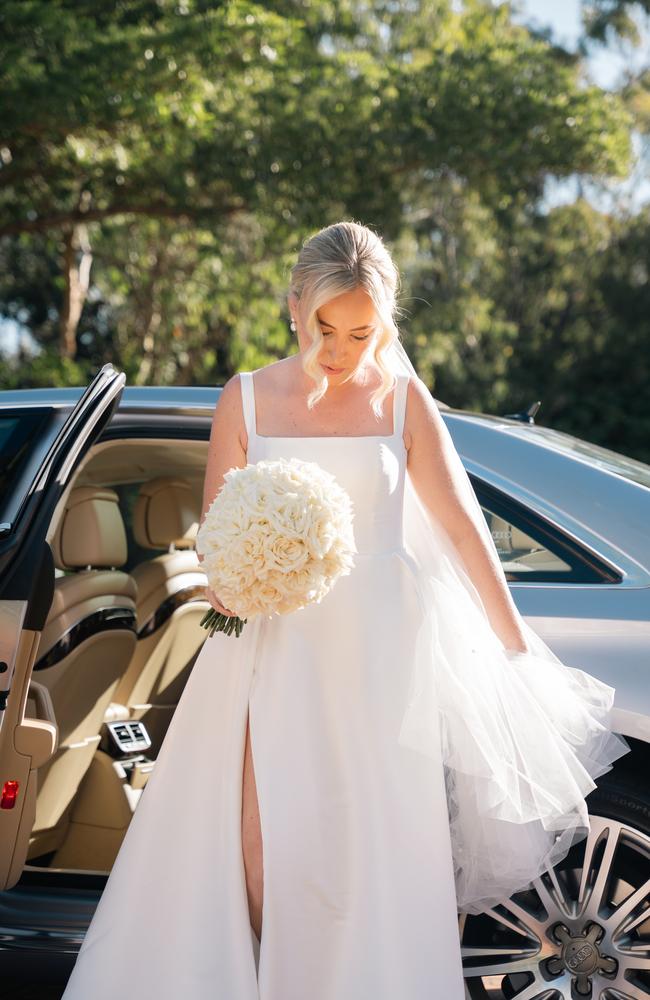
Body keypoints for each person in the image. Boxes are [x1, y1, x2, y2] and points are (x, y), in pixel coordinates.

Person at [61, 220, 630, 999]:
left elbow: (466, 534)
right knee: (265, 857)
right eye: (325, 327)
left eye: (361, 332)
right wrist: (240, 578)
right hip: (273, 655)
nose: (340, 348)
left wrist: (517, 654)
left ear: (385, 322)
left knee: (374, 858)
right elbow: (218, 541)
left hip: (381, 662)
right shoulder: (247, 400)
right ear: (295, 305)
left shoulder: (402, 402)